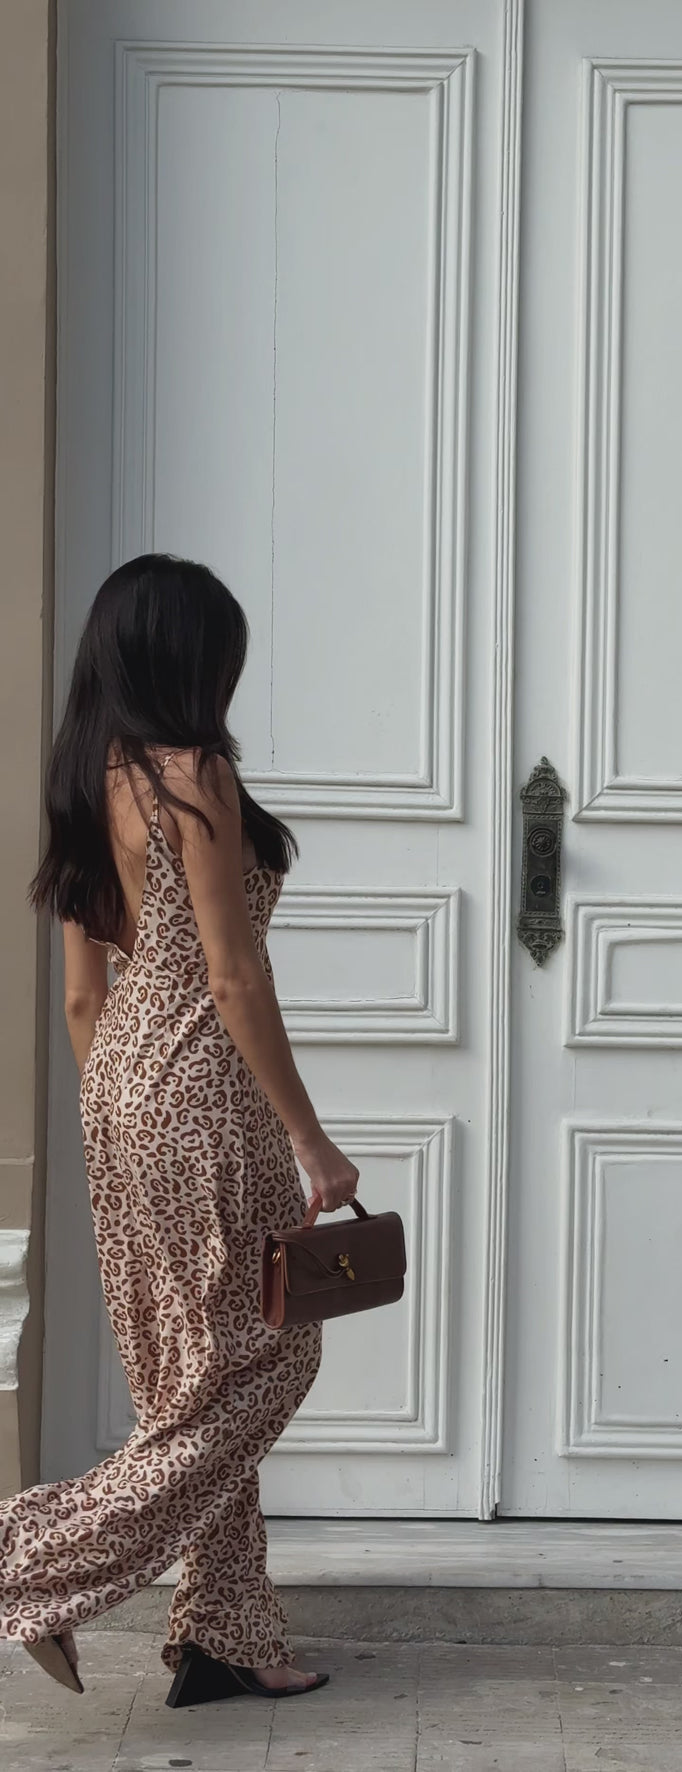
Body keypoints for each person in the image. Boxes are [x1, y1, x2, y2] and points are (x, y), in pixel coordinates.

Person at [0, 554, 359, 1705]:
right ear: (185, 656)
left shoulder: (87, 775)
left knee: (190, 1370)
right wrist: (312, 1139)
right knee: (272, 1346)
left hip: (120, 1085)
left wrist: (122, 1122)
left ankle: (224, 1631)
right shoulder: (189, 772)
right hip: (202, 1079)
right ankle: (28, 1557)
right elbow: (233, 974)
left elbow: (81, 998)